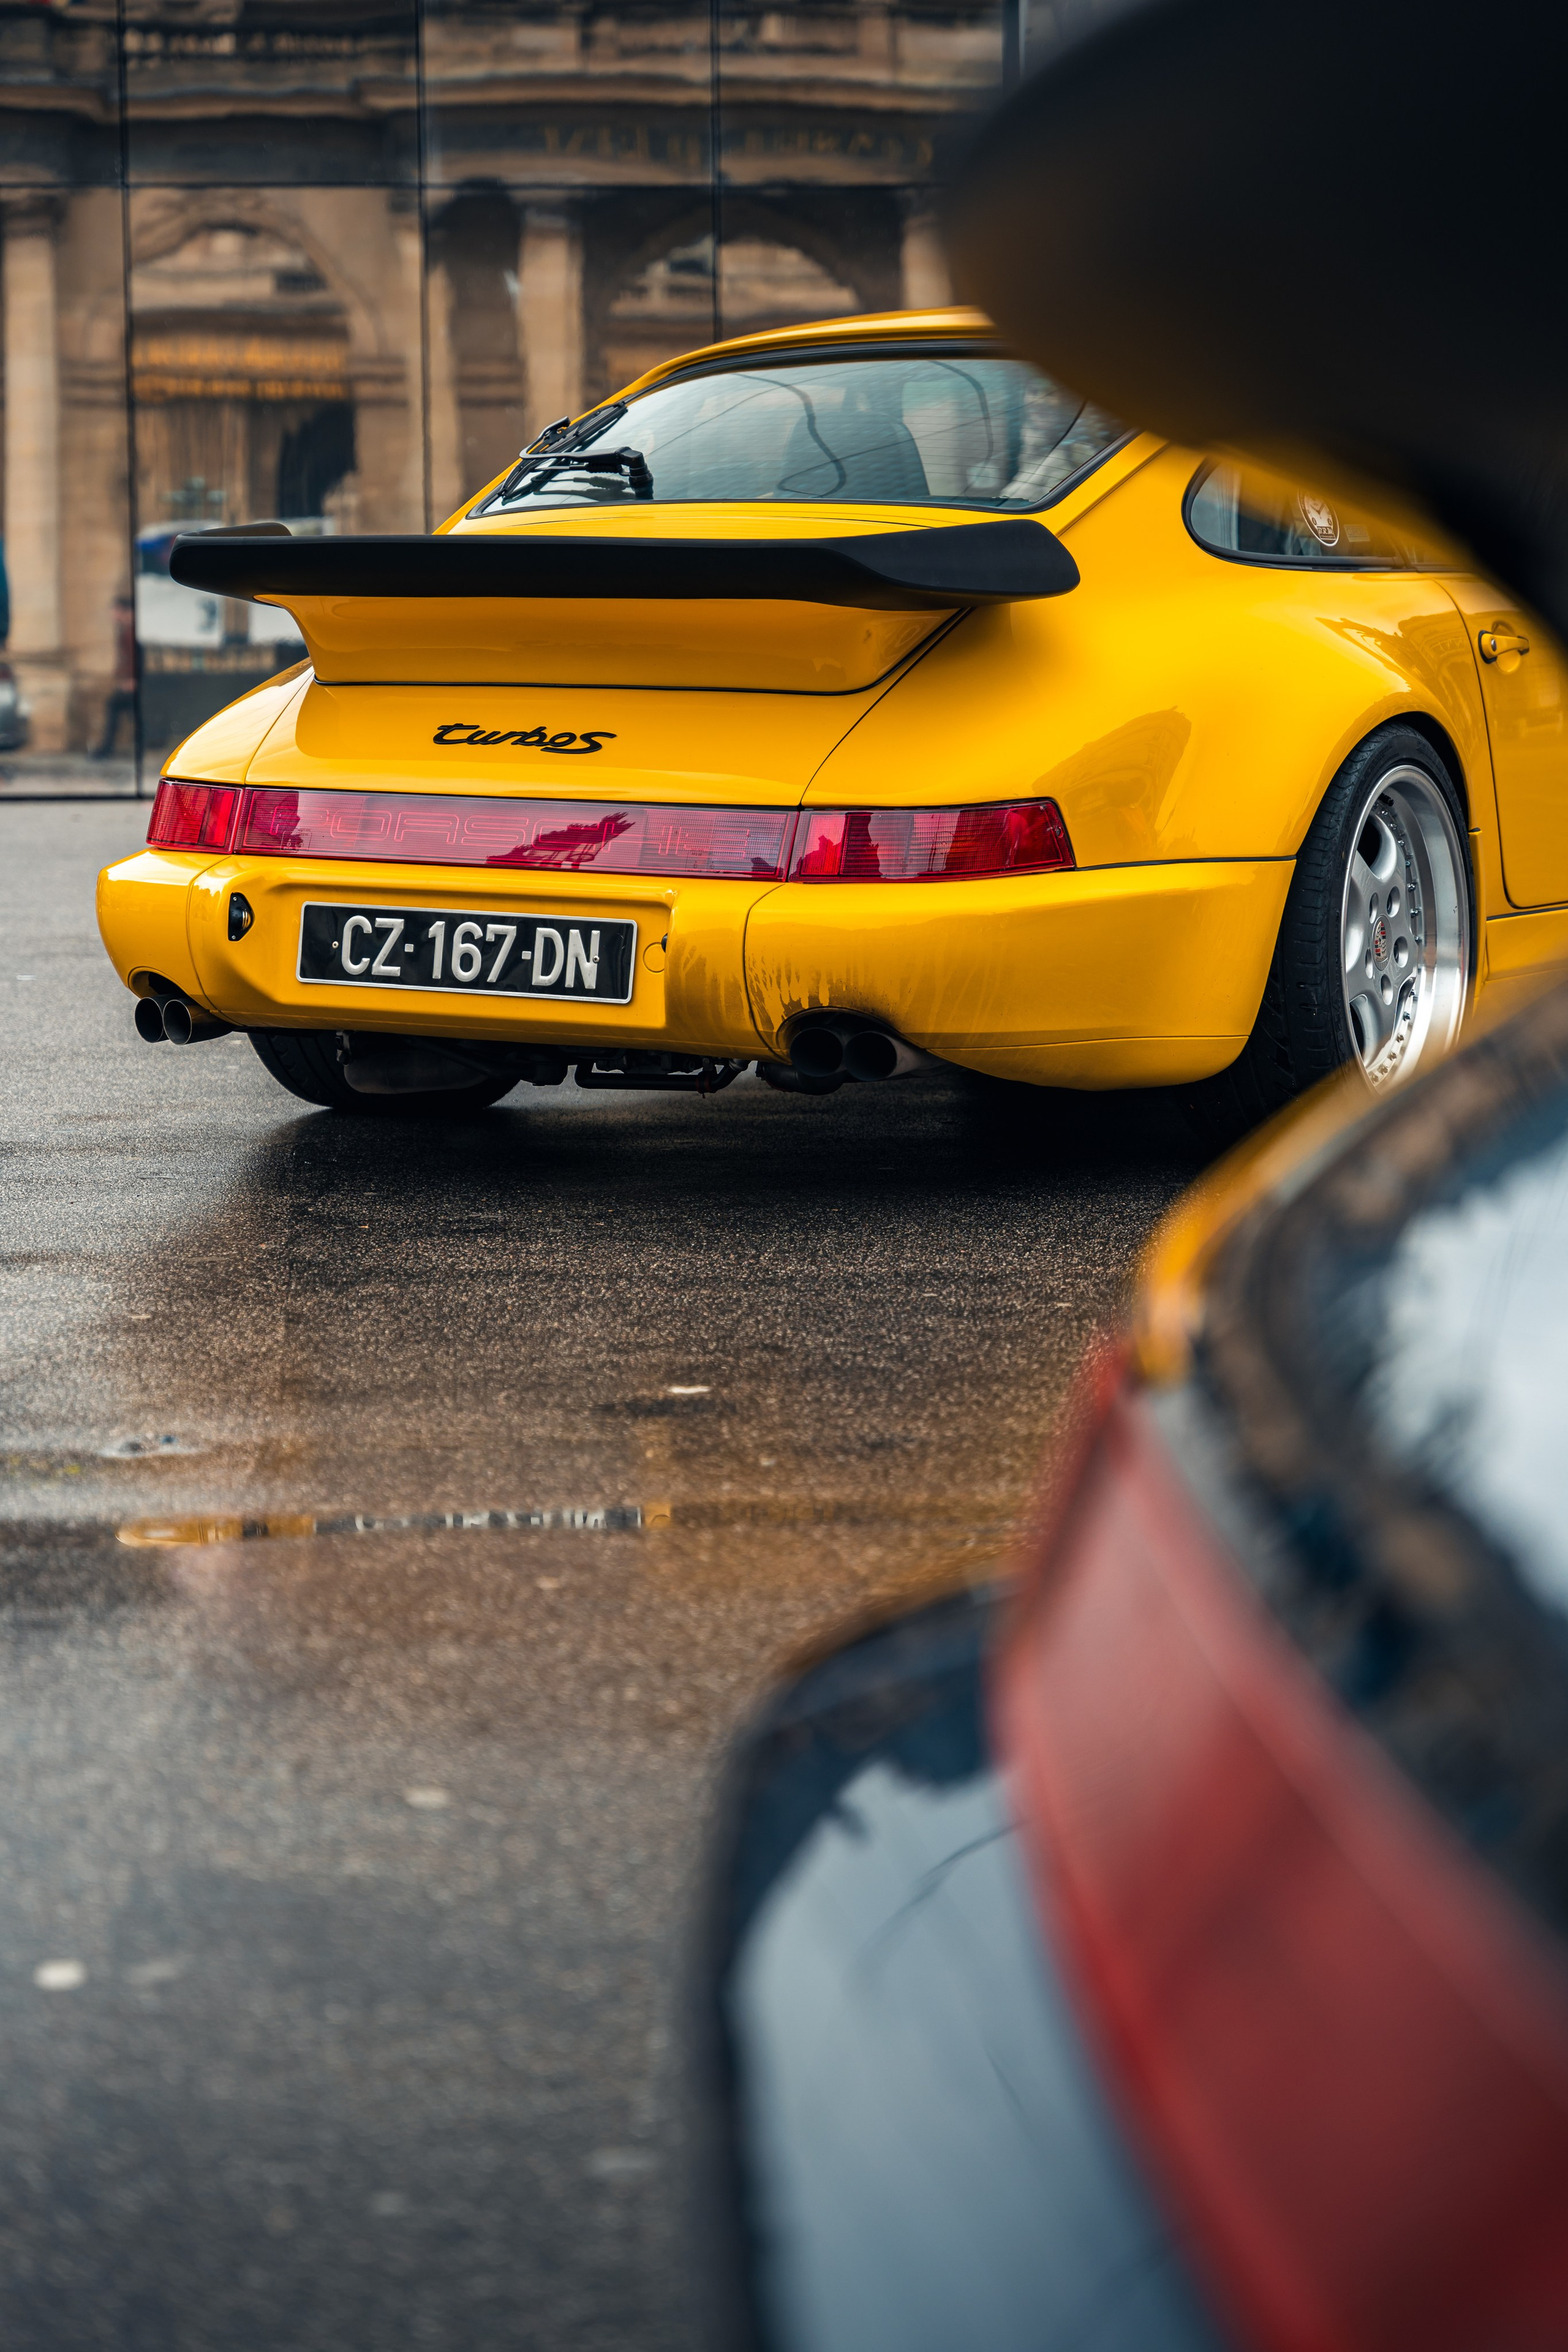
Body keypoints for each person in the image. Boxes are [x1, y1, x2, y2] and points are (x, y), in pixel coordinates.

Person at [92, 590, 138, 759]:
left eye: (115, 611)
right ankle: (108, 747)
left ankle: (107, 748)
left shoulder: (132, 631)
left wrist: (132, 679)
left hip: (134, 683)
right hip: (130, 681)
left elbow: (134, 658)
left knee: (113, 706)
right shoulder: (127, 630)